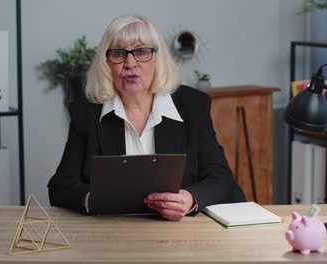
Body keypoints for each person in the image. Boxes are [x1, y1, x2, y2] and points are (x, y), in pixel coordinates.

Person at [48, 14, 246, 221]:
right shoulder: (86, 112)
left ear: (158, 58)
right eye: (118, 53)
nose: (130, 63)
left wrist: (190, 199)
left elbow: (221, 178)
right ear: (106, 62)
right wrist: (96, 199)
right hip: (112, 233)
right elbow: (61, 187)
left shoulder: (193, 105)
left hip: (181, 232)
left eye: (141, 51)